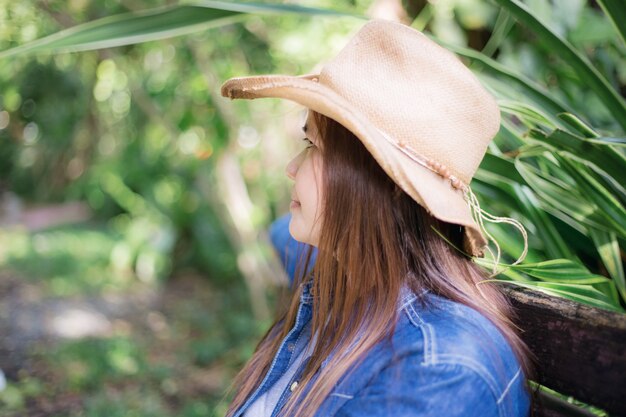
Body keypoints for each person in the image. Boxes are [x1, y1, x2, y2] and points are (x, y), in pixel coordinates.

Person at [220, 19, 536, 417]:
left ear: (381, 184)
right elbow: (281, 234)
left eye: (313, 145)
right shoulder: (353, 286)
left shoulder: (437, 371)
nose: (291, 167)